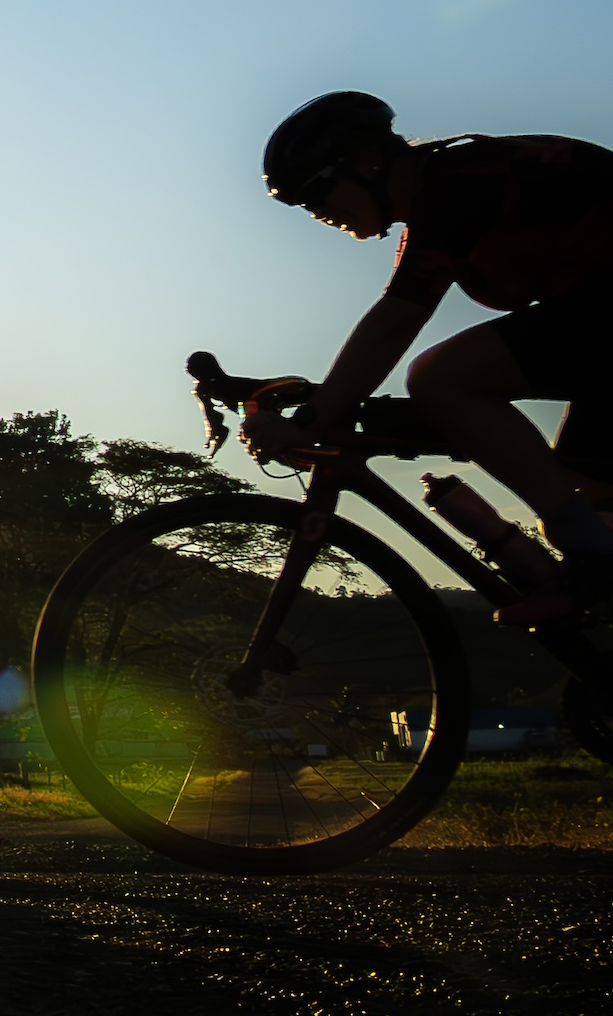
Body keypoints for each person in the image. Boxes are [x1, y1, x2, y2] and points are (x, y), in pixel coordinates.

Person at [248, 90, 613, 623]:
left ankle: (590, 559)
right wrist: (332, 398)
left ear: (369, 160)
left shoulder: (460, 181)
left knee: (441, 377)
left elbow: (399, 317)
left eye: (317, 193)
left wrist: (313, 418)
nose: (319, 214)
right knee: (591, 497)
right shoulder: (444, 201)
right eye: (307, 206)